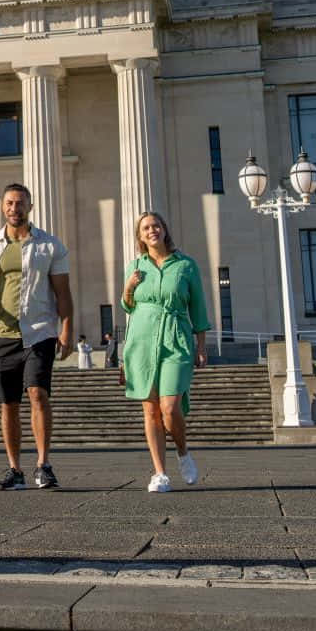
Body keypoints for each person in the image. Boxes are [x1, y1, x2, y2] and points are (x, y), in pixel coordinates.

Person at [0, 183, 74, 491]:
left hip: (38, 331)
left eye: (21, 203)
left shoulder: (50, 245)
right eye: (10, 203)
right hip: (0, 334)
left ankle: (43, 464)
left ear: (30, 207)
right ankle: (15, 469)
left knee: (38, 393)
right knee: (8, 403)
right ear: (3, 207)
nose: (15, 208)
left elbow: (63, 293)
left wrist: (66, 327)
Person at [120, 210, 210, 493]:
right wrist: (128, 287)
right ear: (140, 235)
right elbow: (128, 306)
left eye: (156, 225)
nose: (152, 231)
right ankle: (159, 473)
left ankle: (183, 452)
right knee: (150, 410)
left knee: (169, 407)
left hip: (176, 338)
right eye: (146, 228)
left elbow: (198, 307)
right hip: (142, 340)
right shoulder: (135, 266)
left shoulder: (186, 265)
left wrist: (201, 345)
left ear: (164, 229)